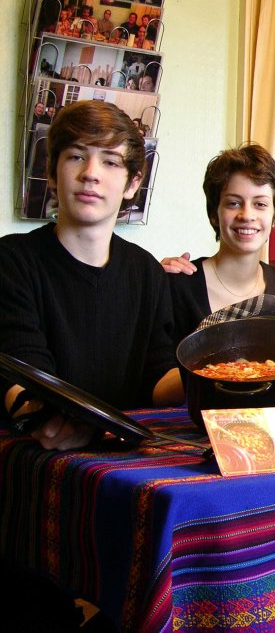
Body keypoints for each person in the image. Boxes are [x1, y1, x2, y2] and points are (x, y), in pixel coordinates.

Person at [0, 100, 183, 452]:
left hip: (124, 460)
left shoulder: (146, 271)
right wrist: (38, 413)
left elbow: (157, 376)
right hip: (35, 458)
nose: (91, 173)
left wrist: (210, 373)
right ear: (52, 174)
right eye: (76, 156)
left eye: (110, 161)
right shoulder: (13, 261)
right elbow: (19, 370)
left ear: (133, 183)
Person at [164, 144, 275, 343]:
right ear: (214, 214)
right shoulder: (177, 285)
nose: (247, 215)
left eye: (260, 204)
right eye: (233, 203)